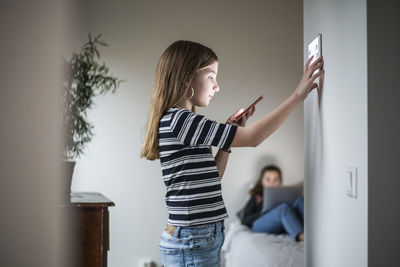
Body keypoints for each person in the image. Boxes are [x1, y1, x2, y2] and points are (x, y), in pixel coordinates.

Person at [140, 40, 323, 266]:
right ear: (187, 77)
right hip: (192, 239)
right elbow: (254, 138)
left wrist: (227, 141)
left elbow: (213, 178)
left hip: (198, 237)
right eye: (211, 77)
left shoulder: (183, 122)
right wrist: (297, 96)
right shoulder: (182, 120)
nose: (217, 86)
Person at [241, 165, 304, 242]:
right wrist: (263, 210)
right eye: (268, 179)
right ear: (262, 181)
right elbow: (244, 220)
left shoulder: (285, 194)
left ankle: (309, 230)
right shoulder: (257, 196)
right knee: (283, 208)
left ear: (280, 181)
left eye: (276, 179)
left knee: (301, 200)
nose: (272, 183)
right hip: (260, 224)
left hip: (282, 223)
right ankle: (301, 236)